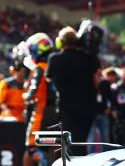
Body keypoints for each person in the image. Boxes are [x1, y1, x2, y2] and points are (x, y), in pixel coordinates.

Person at [46, 26, 99, 156]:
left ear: (60, 42)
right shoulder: (88, 58)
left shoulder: (54, 59)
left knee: (73, 144)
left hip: (66, 107)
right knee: (82, 142)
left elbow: (48, 78)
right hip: (88, 106)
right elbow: (96, 76)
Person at [22, 32, 57, 166]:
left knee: (32, 147)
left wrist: (26, 96)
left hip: (41, 113)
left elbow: (32, 93)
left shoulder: (39, 69)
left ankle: (45, 163)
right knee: (52, 146)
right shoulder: (54, 65)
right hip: (55, 113)